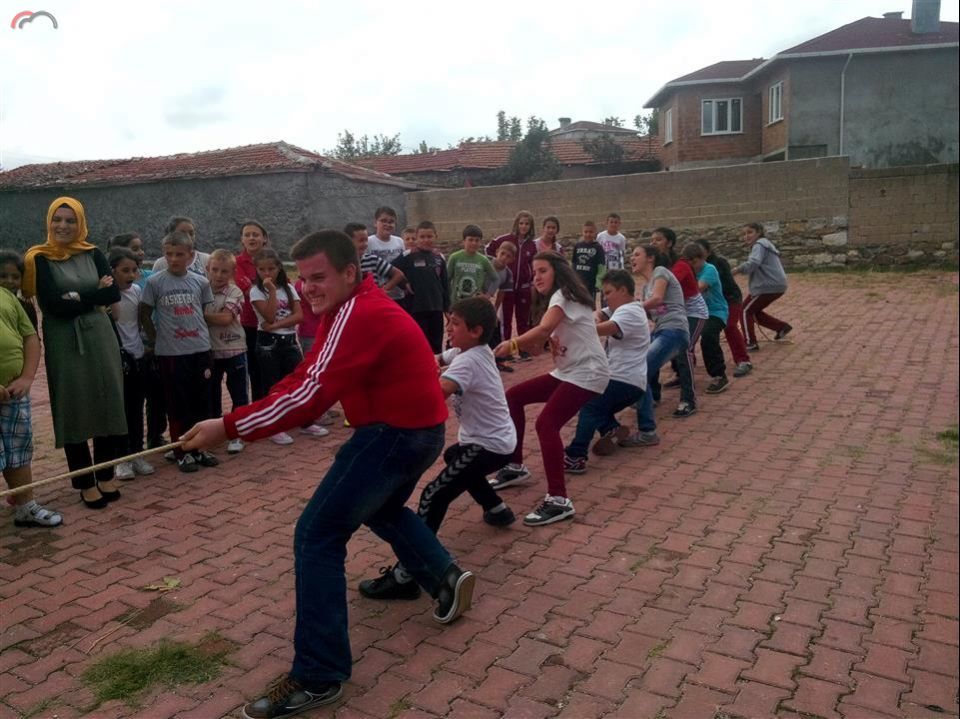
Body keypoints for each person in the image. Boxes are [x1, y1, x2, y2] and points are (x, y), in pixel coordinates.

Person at [181, 229, 476, 718]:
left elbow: (308, 398)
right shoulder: (348, 309)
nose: (308, 288)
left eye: (319, 277)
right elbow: (309, 375)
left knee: (316, 535)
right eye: (303, 279)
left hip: (395, 433)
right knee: (379, 507)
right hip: (416, 429)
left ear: (348, 273)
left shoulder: (358, 313)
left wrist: (229, 425)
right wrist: (245, 415)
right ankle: (442, 575)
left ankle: (318, 675)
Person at [358, 297, 517, 600]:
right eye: (450, 321)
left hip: (490, 445)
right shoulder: (467, 350)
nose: (449, 328)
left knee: (433, 494)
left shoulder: (469, 361)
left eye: (455, 324)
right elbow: (434, 357)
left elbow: (433, 396)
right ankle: (496, 509)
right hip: (493, 442)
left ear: (475, 330)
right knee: (454, 457)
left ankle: (407, 575)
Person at [23, 197, 127, 509]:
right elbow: (53, 304)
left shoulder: (93, 252)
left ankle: (106, 473)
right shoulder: (38, 258)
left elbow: (112, 292)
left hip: (101, 336)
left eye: (70, 220)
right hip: (64, 339)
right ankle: (84, 481)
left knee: (107, 399)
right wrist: (92, 295)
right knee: (74, 405)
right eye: (58, 220)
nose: (63, 226)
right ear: (49, 222)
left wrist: (77, 296)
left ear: (79, 222)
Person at [492, 252, 609, 526]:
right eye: (535, 272)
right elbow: (541, 341)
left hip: (587, 372)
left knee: (547, 424)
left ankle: (559, 500)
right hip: (569, 371)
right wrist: (533, 344)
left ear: (557, 271)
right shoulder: (560, 299)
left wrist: (511, 344)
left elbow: (543, 330)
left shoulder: (563, 296)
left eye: (543, 270)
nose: (537, 277)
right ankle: (515, 466)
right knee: (514, 396)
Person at [139, 230, 219, 473]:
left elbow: (202, 313)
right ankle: (182, 451)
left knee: (201, 401)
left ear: (190, 255)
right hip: (171, 353)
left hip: (199, 348)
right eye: (169, 254)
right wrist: (156, 339)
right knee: (177, 403)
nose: (174, 259)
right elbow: (144, 313)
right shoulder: (155, 282)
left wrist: (207, 343)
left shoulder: (201, 282)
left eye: (179, 254)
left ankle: (201, 447)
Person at [563, 269, 650, 470]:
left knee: (589, 404)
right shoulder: (623, 308)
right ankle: (611, 429)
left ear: (623, 290)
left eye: (609, 292)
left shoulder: (631, 311)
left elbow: (605, 328)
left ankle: (576, 455)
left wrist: (572, 329)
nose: (606, 297)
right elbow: (599, 314)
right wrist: (596, 316)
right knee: (598, 406)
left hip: (623, 379)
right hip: (628, 380)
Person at [250, 248, 328, 445]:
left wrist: (275, 325)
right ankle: (274, 426)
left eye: (271, 269)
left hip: (289, 340)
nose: (267, 273)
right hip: (268, 343)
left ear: (279, 268)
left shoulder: (289, 287)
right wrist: (272, 292)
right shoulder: (255, 291)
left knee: (298, 382)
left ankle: (305, 420)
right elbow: (267, 315)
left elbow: (298, 316)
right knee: (273, 385)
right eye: (262, 269)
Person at [1, 281, 62, 527]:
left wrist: (27, 377)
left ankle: (25, 506)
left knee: (18, 449)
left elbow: (29, 337)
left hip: (14, 393)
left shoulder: (5, 295)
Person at [621, 245, 689, 447]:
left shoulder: (660, 272)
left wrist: (630, 307)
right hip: (661, 331)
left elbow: (658, 299)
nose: (631, 258)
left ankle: (648, 431)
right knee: (638, 367)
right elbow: (646, 313)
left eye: (636, 254)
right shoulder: (645, 288)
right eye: (631, 255)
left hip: (674, 330)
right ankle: (649, 400)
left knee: (640, 371)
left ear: (650, 258)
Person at [108, 247, 156, 480]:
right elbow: (114, 318)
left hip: (137, 357)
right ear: (112, 271)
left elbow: (139, 322)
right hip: (117, 359)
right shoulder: (106, 295)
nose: (130, 275)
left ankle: (137, 453)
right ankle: (121, 459)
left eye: (134, 270)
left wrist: (149, 345)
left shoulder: (137, 291)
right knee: (121, 411)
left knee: (136, 409)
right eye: (124, 270)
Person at [650, 227, 705, 418]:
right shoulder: (656, 268)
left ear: (670, 243)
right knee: (652, 348)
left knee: (685, 350)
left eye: (658, 239)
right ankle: (653, 395)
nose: (653, 243)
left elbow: (663, 294)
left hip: (692, 312)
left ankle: (688, 400)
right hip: (673, 313)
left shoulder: (678, 265)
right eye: (652, 240)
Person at [205, 249, 249, 454]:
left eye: (224, 271)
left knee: (238, 394)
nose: (219, 275)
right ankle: (215, 433)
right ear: (208, 269)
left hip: (234, 349)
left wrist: (198, 314)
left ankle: (237, 434)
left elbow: (225, 319)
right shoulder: (202, 290)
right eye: (215, 270)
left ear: (232, 272)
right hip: (211, 352)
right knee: (211, 394)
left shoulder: (235, 292)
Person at [695, 239, 752, 377]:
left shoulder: (716, 265)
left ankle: (743, 360)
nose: (697, 258)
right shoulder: (694, 267)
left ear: (708, 252)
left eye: (700, 253)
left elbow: (710, 285)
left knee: (730, 326)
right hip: (710, 303)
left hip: (730, 299)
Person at [392, 221, 450, 353]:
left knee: (436, 344)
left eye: (429, 236)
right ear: (417, 238)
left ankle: (436, 371)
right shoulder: (408, 255)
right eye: (422, 237)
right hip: (415, 308)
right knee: (419, 343)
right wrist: (403, 283)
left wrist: (447, 308)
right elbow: (390, 270)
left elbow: (445, 284)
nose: (426, 240)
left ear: (435, 236)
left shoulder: (439, 257)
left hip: (436, 308)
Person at [733, 222, 791, 349]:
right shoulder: (764, 244)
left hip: (768, 286)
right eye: (745, 233)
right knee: (753, 311)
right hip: (776, 284)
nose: (746, 236)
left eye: (750, 232)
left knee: (744, 311)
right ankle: (781, 327)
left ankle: (750, 342)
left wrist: (737, 270)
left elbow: (753, 263)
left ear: (758, 233)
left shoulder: (759, 245)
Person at [683, 243, 730, 394]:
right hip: (695, 312)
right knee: (678, 338)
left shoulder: (709, 269)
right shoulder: (687, 270)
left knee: (708, 336)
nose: (693, 266)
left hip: (716, 312)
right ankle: (682, 373)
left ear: (703, 258)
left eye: (695, 262)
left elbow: (698, 288)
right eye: (689, 263)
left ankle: (719, 375)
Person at [484, 210, 537, 343]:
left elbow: (534, 264)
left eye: (527, 224)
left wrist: (531, 281)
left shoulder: (532, 245)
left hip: (523, 287)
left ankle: (523, 346)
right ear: (516, 224)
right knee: (506, 319)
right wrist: (495, 267)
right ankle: (505, 347)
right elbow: (488, 250)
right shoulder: (505, 239)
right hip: (507, 287)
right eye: (521, 223)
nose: (524, 226)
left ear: (531, 226)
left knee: (523, 319)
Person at [234, 220, 270, 401]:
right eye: (247, 235)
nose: (251, 238)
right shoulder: (237, 263)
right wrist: (271, 291)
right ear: (242, 239)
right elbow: (248, 291)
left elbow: (284, 288)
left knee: (273, 371)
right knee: (255, 372)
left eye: (255, 234)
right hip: (250, 324)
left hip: (273, 323)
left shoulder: (273, 260)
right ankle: (259, 413)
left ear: (264, 239)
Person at [345, 222, 406, 294]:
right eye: (361, 240)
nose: (365, 244)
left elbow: (398, 275)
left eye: (366, 240)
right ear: (348, 242)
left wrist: (381, 291)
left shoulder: (372, 260)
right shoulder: (341, 263)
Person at [485, 241, 516, 374]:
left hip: (488, 302)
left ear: (512, 259)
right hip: (475, 298)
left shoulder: (507, 274)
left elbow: (501, 293)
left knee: (495, 328)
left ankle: (498, 361)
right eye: (502, 254)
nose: (504, 258)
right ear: (497, 251)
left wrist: (495, 310)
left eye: (508, 256)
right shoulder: (485, 262)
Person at [448, 225, 497, 302]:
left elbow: (496, 279)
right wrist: (447, 301)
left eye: (477, 240)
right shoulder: (454, 257)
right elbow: (446, 280)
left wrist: (487, 295)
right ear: (464, 241)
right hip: (457, 302)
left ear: (480, 242)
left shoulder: (483, 260)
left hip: (475, 303)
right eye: (470, 240)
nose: (474, 243)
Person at [367, 207, 406, 300]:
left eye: (391, 222)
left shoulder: (399, 241)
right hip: (376, 296)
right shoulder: (368, 242)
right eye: (383, 221)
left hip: (398, 295)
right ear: (375, 223)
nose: (387, 224)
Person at [0, 250, 38, 330]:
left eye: (16, 277)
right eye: (3, 276)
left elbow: (33, 337)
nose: (10, 281)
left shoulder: (27, 309)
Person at [572, 220, 605, 304]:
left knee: (589, 303)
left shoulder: (598, 247)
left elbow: (601, 266)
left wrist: (599, 282)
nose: (588, 234)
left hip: (591, 282)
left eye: (591, 232)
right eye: (586, 232)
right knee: (577, 302)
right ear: (582, 232)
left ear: (595, 233)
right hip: (578, 281)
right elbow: (574, 263)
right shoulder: (578, 246)